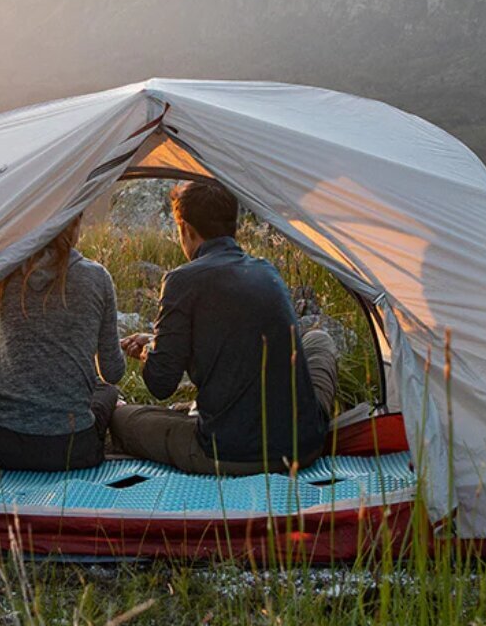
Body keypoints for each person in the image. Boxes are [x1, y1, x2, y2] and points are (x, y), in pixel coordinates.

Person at [111, 181, 337, 475]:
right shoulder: (266, 269)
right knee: (318, 339)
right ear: (233, 227)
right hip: (303, 445)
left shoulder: (182, 281)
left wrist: (150, 351)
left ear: (187, 230)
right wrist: (158, 340)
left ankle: (186, 420)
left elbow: (161, 384)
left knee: (121, 418)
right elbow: (236, 337)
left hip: (229, 451)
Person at [0, 215, 125, 470]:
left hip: (0, 441)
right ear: (76, 223)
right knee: (107, 390)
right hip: (73, 449)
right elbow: (112, 372)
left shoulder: (9, 268)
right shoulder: (97, 278)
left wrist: (2, 261)